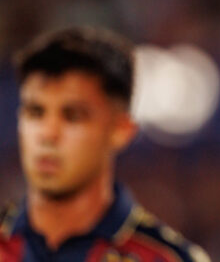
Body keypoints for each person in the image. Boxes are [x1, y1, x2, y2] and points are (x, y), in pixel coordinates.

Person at [0, 27, 209, 261]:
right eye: (35, 113)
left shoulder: (166, 257)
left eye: (72, 116)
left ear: (121, 131)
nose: (48, 135)